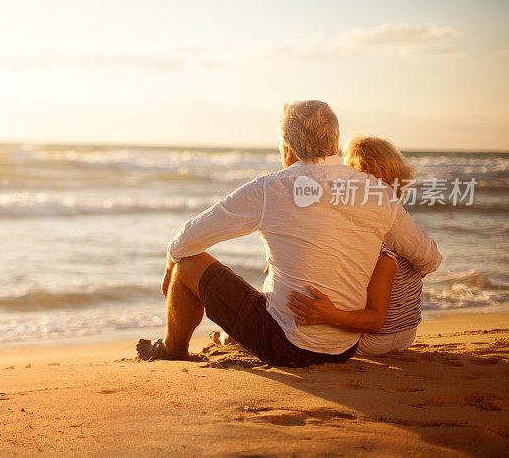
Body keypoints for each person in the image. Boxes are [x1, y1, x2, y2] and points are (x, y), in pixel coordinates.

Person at [136, 100, 442, 367]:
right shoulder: (377, 194)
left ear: (287, 149)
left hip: (286, 346)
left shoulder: (271, 188)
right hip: (344, 347)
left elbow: (188, 239)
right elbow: (429, 257)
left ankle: (171, 349)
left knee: (188, 263)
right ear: (334, 141)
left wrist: (170, 264)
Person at [287, 136, 425, 356]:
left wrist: (329, 315)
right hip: (406, 332)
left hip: (378, 338)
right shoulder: (403, 229)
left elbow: (376, 319)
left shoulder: (382, 248)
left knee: (296, 323)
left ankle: (232, 338)